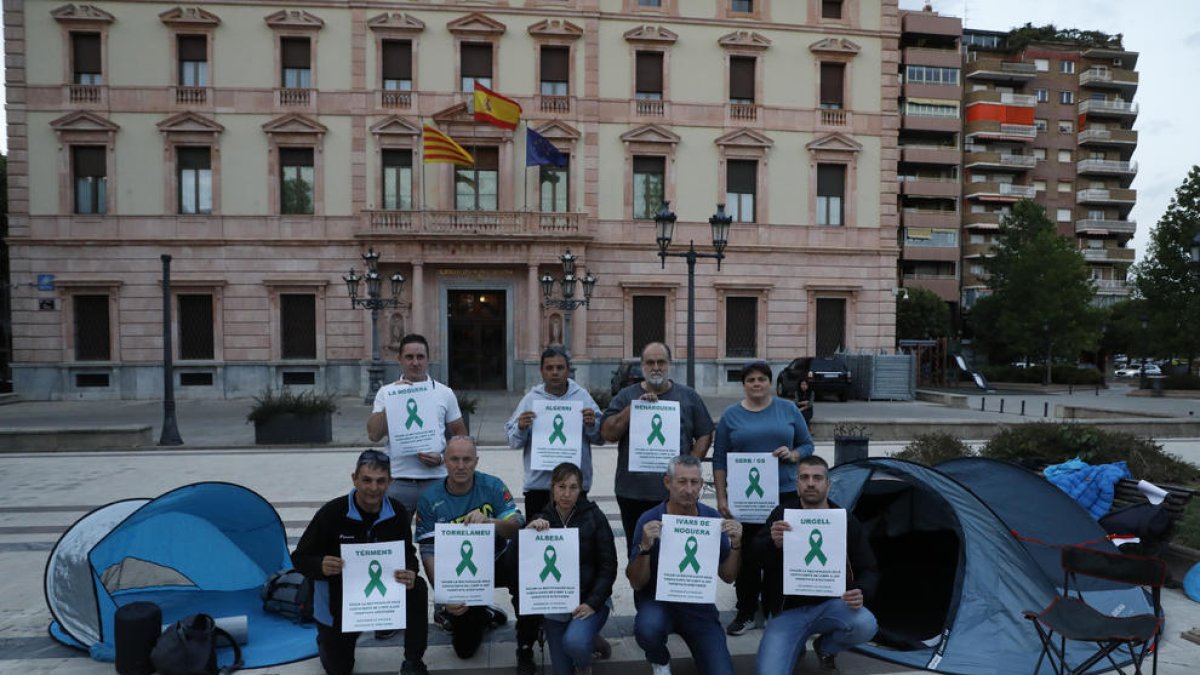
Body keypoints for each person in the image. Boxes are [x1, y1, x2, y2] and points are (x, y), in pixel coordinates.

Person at [292, 450, 430, 675]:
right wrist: (320, 566)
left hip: (382, 594)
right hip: (340, 599)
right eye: (366, 480)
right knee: (340, 668)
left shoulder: (396, 511)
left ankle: (414, 661)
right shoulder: (332, 513)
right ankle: (326, 637)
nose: (373, 488)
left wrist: (411, 571)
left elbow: (408, 553)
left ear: (390, 482)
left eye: (380, 481)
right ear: (354, 478)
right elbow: (299, 558)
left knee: (418, 587)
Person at [414, 435, 540, 675]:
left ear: (476, 461)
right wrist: (444, 596)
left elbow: (516, 525)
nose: (461, 466)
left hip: (498, 559)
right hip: (462, 575)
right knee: (464, 649)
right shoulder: (430, 499)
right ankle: (483, 614)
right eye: (454, 459)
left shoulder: (492, 486)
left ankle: (525, 644)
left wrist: (491, 522)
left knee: (524, 566)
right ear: (445, 462)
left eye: (467, 459)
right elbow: (428, 551)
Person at [714, 361, 814, 636]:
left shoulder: (788, 409)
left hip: (783, 494)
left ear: (770, 382)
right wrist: (722, 496)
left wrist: (793, 455)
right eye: (751, 380)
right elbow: (720, 459)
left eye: (761, 379)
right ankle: (746, 611)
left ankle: (774, 609)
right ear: (744, 384)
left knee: (778, 553)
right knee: (745, 555)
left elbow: (807, 445)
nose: (757, 384)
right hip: (745, 499)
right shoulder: (730, 416)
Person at [756, 455, 879, 674]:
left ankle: (826, 647)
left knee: (865, 624)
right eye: (804, 477)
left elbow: (868, 567)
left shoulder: (845, 520)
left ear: (828, 484)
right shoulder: (782, 515)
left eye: (817, 478)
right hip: (788, 612)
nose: (811, 483)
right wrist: (771, 543)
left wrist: (862, 591)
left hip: (831, 606)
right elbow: (754, 556)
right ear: (797, 484)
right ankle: (794, 645)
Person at [627, 455, 743, 675]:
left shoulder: (712, 518)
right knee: (647, 628)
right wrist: (644, 547)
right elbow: (636, 582)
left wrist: (737, 546)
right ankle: (659, 660)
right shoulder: (650, 519)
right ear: (667, 482)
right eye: (682, 481)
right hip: (658, 601)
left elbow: (728, 576)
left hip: (698, 605)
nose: (689, 489)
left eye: (694, 482)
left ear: (701, 484)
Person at [601, 342, 714, 550]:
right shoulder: (626, 396)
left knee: (675, 551)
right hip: (632, 493)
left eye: (661, 362)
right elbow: (608, 433)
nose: (656, 367)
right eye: (650, 362)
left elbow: (705, 432)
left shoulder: (688, 397)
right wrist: (633, 408)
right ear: (642, 366)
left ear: (669, 364)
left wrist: (690, 466)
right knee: (639, 551)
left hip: (675, 494)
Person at [526, 462, 618, 675]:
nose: (567, 493)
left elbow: (608, 566)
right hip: (555, 605)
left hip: (589, 601)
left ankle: (584, 659)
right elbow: (519, 565)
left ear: (581, 489)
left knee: (575, 643)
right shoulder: (541, 520)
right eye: (561, 486)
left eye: (573, 487)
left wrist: (592, 603)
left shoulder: (595, 517)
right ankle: (591, 640)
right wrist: (528, 533)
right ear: (552, 488)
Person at [368, 333, 468, 514]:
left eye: (420, 357)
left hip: (436, 479)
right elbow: (374, 435)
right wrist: (393, 402)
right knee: (396, 539)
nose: (415, 362)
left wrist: (442, 458)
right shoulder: (387, 392)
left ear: (428, 359)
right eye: (409, 357)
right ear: (400, 359)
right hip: (398, 479)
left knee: (435, 539)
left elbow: (461, 436)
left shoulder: (444, 393)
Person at [505, 347, 604, 519]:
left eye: (560, 367)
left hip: (574, 488)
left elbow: (601, 437)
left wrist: (592, 425)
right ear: (541, 371)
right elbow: (513, 442)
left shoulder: (582, 397)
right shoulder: (531, 399)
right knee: (539, 541)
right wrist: (521, 428)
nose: (555, 373)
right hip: (540, 487)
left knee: (576, 541)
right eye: (549, 368)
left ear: (568, 370)